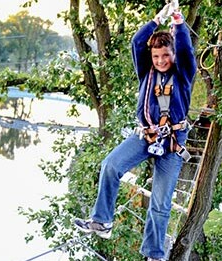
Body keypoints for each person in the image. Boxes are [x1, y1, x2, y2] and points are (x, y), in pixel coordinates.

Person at [74, 3, 197, 261]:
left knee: (160, 202)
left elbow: (185, 49)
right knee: (110, 165)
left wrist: (177, 20)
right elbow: (137, 42)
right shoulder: (146, 72)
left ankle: (153, 254)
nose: (161, 61)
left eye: (165, 55)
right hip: (146, 135)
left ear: (173, 55)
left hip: (173, 142)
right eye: (156, 56)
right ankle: (102, 222)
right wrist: (159, 18)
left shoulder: (183, 74)